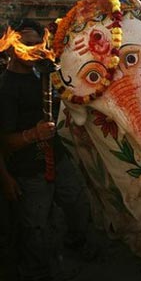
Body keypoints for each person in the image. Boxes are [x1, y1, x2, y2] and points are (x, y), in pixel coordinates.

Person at [0, 19, 90, 281]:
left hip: (57, 157)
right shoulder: (4, 88)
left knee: (77, 203)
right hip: (26, 170)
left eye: (36, 44)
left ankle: (76, 245)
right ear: (10, 45)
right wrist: (32, 135)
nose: (31, 50)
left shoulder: (45, 72)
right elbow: (3, 142)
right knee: (35, 228)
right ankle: (36, 272)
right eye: (25, 44)